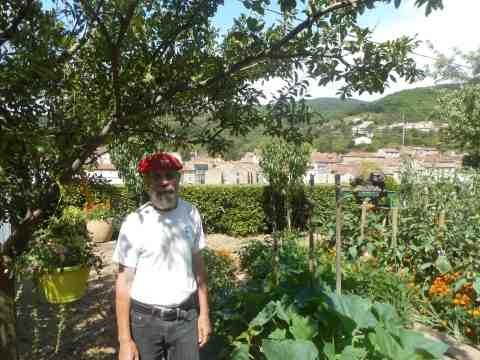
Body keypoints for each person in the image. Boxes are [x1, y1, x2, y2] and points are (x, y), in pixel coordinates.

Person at [113, 152, 211, 360]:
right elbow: (123, 282)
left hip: (186, 318)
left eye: (169, 175)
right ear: (147, 182)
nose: (164, 182)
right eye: (156, 176)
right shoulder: (134, 222)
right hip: (145, 322)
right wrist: (124, 340)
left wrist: (204, 315)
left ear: (178, 179)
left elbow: (199, 269)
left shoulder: (191, 214)